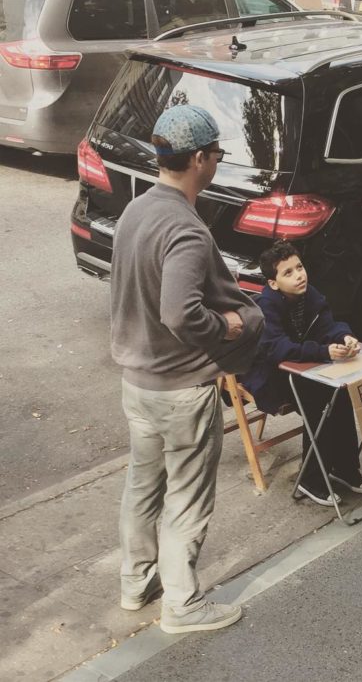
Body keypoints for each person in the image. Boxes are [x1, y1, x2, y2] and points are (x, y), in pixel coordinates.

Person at [111, 105, 264, 634]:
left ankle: (136, 583)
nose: (218, 161)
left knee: (143, 485)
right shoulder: (186, 229)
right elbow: (179, 311)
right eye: (217, 154)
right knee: (187, 498)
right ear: (199, 159)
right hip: (179, 387)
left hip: (138, 381)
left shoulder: (136, 211)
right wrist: (230, 328)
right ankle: (182, 604)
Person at [240, 240, 362, 507]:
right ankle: (311, 478)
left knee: (341, 392)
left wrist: (345, 337)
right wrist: (324, 352)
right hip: (269, 377)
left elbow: (329, 323)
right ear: (273, 283)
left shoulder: (309, 293)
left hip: (303, 369)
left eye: (299, 267)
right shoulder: (266, 306)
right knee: (321, 400)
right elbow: (277, 349)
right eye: (288, 272)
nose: (299, 275)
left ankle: (344, 468)